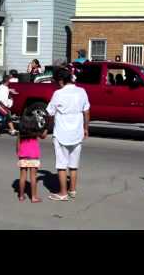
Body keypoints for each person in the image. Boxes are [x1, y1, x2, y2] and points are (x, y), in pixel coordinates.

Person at [46, 67, 90, 201]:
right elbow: (86, 111)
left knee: (61, 164)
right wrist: (86, 128)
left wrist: (48, 127)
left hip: (61, 133)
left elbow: (50, 112)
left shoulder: (58, 94)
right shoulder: (82, 91)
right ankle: (73, 190)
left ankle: (63, 192)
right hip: (77, 132)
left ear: (61, 81)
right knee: (74, 164)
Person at [16, 115, 48, 203]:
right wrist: (46, 128)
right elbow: (44, 136)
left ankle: (21, 196)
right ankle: (34, 197)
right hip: (33, 156)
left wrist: (18, 153)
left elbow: (18, 144)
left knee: (22, 176)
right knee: (33, 177)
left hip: (23, 156)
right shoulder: (35, 132)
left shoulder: (21, 133)